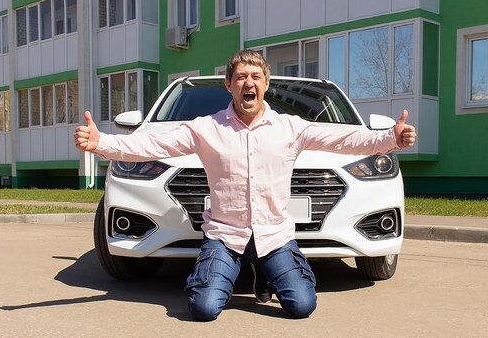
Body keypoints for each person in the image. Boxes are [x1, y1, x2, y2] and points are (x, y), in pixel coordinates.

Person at [74, 49, 417, 321]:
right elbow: (151, 146)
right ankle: (215, 273)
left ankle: (267, 271)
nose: (247, 83)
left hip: (274, 237)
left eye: (255, 76)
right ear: (229, 85)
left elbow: (343, 139)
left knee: (302, 306)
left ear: (266, 83)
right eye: (240, 77)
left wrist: (390, 137)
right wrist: (101, 142)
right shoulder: (205, 128)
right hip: (226, 237)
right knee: (204, 309)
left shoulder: (291, 127)